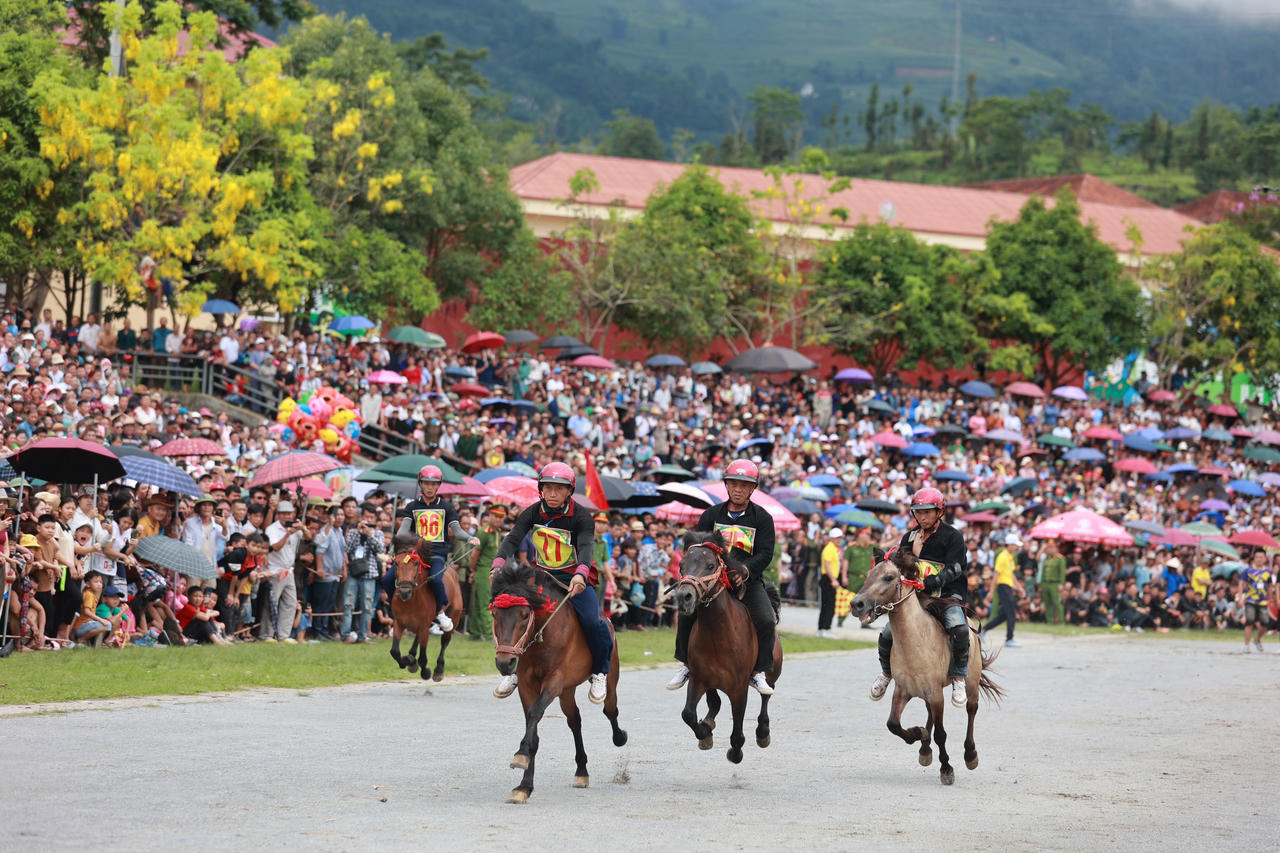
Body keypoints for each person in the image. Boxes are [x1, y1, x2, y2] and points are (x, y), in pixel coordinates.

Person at [489, 462, 612, 703]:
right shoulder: (532, 512)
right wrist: (498, 562)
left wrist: (581, 573)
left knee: (593, 622)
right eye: (548, 488)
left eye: (559, 489)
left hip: (575, 578)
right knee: (516, 614)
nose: (553, 493)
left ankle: (599, 672)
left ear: (569, 491)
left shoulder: (582, 516)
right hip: (542, 577)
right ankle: (515, 670)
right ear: (541, 490)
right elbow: (513, 538)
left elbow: (587, 547)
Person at [668, 459, 778, 696]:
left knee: (767, 620)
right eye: (734, 484)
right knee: (686, 612)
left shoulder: (763, 518)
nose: (738, 489)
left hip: (747, 581)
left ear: (753, 488)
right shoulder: (710, 515)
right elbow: (698, 549)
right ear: (726, 485)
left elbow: (766, 553)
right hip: (712, 581)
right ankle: (686, 664)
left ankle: (758, 671)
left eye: (744, 485)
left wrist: (745, 570)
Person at [870, 486, 971, 708]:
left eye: (927, 512)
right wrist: (910, 554)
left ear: (939, 512)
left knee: (959, 628)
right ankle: (886, 673)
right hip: (916, 597)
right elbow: (901, 567)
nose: (922, 517)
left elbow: (955, 569)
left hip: (946, 596)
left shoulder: (953, 536)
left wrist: (929, 583)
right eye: (918, 512)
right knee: (886, 634)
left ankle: (958, 677)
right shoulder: (909, 537)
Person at [391, 465, 479, 634]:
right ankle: (396, 613)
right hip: (414, 554)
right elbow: (403, 530)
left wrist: (470, 538)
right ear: (420, 484)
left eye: (433, 484)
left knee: (437, 580)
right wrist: (393, 547)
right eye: (426, 483)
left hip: (437, 554)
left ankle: (439, 613)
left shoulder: (447, 507)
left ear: (438, 485)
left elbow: (457, 531)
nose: (430, 487)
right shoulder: (411, 506)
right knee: (389, 578)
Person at [262, 500, 303, 643]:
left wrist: (302, 528)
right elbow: (275, 547)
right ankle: (267, 635)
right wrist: (287, 534)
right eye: (284, 514)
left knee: (290, 603)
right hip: (275, 571)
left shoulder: (295, 527)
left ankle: (283, 635)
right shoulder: (272, 529)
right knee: (272, 603)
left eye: (289, 513)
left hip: (289, 571)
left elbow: (310, 538)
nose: (287, 516)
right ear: (278, 515)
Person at [981, 534, 1024, 648]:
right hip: (1003, 587)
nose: (1016, 547)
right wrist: (991, 592)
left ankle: (983, 630)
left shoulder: (1010, 556)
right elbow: (996, 574)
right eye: (1015, 545)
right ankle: (1009, 639)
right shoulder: (1002, 557)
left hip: (1008, 587)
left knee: (1004, 615)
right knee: (1011, 613)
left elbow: (1011, 574)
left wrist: (1019, 587)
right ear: (1010, 545)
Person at [1241, 549, 1274, 653]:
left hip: (1263, 601)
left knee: (1265, 623)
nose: (1259, 559)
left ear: (1265, 559)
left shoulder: (1268, 571)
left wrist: (1270, 600)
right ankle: (1246, 645)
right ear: (1254, 558)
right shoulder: (1248, 570)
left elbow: (1270, 586)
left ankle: (1257, 639)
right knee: (1249, 622)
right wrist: (1241, 598)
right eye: (1257, 557)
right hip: (1250, 600)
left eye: (1261, 557)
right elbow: (1241, 583)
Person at [817, 527, 845, 638]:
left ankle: (823, 629)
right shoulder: (829, 548)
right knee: (828, 606)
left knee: (828, 605)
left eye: (840, 538)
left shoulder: (834, 548)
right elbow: (827, 565)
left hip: (831, 578)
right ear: (831, 538)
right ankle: (825, 629)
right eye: (837, 538)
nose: (839, 540)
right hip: (828, 579)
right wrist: (833, 580)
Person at [1040, 538, 1066, 625]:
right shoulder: (1046, 559)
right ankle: (1050, 621)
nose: (1049, 549)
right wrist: (1041, 584)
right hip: (1046, 583)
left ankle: (1061, 621)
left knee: (1057, 603)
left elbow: (1062, 573)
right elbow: (1043, 572)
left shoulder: (1060, 559)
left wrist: (1061, 584)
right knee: (1047, 603)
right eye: (1048, 548)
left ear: (1056, 548)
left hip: (1055, 583)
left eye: (1052, 547)